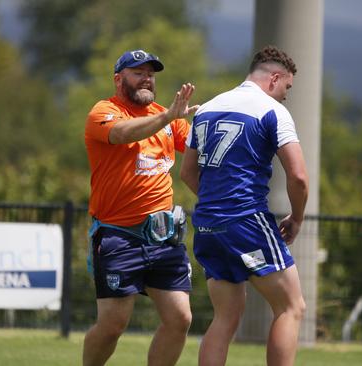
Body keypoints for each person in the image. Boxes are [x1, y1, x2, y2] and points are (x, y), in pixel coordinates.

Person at [180, 45, 309, 365]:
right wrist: (297, 218)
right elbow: (299, 177)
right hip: (247, 222)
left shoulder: (207, 108)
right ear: (274, 78)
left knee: (225, 317)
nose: (285, 96)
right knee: (291, 307)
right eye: (287, 88)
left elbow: (186, 172)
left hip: (208, 226)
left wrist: (216, 206)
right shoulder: (272, 111)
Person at [82, 49, 198, 366]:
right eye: (138, 72)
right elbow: (122, 134)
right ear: (119, 79)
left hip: (163, 237)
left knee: (180, 318)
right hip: (118, 235)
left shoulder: (167, 116)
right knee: (112, 326)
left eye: (151, 73)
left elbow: (196, 149)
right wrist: (167, 117)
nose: (147, 78)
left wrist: (217, 121)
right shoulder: (104, 111)